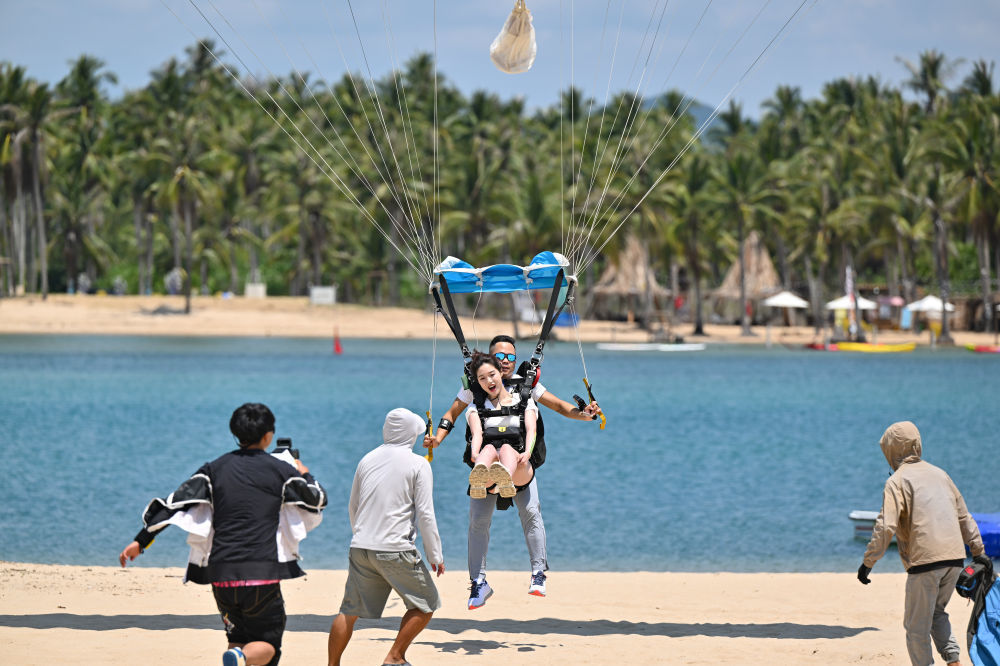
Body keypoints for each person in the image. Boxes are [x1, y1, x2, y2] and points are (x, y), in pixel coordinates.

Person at [119, 403, 328, 666]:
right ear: (268, 436)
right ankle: (239, 658)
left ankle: (237, 655)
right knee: (269, 646)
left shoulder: (213, 469)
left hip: (222, 574)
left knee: (237, 635)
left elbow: (174, 503)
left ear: (235, 433)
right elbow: (318, 500)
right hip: (260, 573)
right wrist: (304, 472)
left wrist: (141, 541)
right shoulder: (281, 471)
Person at [424, 334, 601, 608]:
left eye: (510, 357)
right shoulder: (476, 387)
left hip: (519, 463)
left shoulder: (528, 387)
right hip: (486, 464)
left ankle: (538, 573)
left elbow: (561, 407)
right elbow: (451, 414)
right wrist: (437, 438)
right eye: (500, 357)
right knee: (477, 522)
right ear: (490, 360)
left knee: (531, 513)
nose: (506, 362)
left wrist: (586, 413)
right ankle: (478, 583)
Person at [857, 420, 989, 666]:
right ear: (917, 444)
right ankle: (954, 661)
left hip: (925, 563)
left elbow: (886, 526)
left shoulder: (896, 481)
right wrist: (979, 552)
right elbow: (964, 516)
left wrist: (868, 562)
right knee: (938, 614)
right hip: (954, 560)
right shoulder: (941, 474)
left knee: (916, 628)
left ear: (891, 451)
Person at [328, 408, 445, 666]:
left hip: (361, 546)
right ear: (413, 434)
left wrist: (362, 535)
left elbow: (353, 506)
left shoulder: (367, 459)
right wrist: (435, 554)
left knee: (348, 612)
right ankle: (394, 657)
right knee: (426, 605)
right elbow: (426, 514)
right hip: (395, 549)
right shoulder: (418, 463)